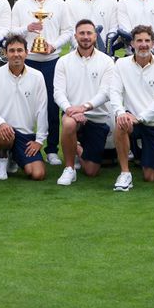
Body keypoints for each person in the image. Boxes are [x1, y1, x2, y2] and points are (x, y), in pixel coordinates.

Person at [11, 0, 69, 167]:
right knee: (23, 106)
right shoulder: (20, 5)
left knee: (53, 106)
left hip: (52, 62)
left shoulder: (59, 4)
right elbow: (12, 32)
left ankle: (51, 149)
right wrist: (27, 28)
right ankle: (19, 150)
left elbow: (68, 31)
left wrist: (53, 46)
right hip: (28, 62)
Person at [109, 25, 154, 189]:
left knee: (150, 176)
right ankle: (125, 173)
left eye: (147, 40)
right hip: (131, 121)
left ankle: (141, 155)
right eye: (139, 41)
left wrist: (140, 118)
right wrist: (121, 112)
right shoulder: (121, 64)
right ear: (132, 43)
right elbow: (114, 92)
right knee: (121, 122)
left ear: (152, 43)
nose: (143, 44)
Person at [53, 19, 116, 186]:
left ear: (95, 36)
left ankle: (76, 146)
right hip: (72, 115)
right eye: (82, 33)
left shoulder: (107, 61)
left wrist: (85, 107)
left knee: (91, 171)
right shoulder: (63, 61)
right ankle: (69, 169)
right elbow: (58, 92)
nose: (85, 37)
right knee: (68, 124)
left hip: (97, 117)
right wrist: (70, 110)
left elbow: (106, 92)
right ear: (75, 36)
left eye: (89, 33)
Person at [0, 35, 48, 182]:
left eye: (20, 50)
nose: (16, 54)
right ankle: (2, 158)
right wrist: (1, 123)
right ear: (5, 53)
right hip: (2, 131)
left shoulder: (37, 76)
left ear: (26, 52)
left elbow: (42, 110)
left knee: (38, 174)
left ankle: (14, 157)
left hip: (25, 134)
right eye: (12, 51)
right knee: (4, 136)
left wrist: (39, 140)